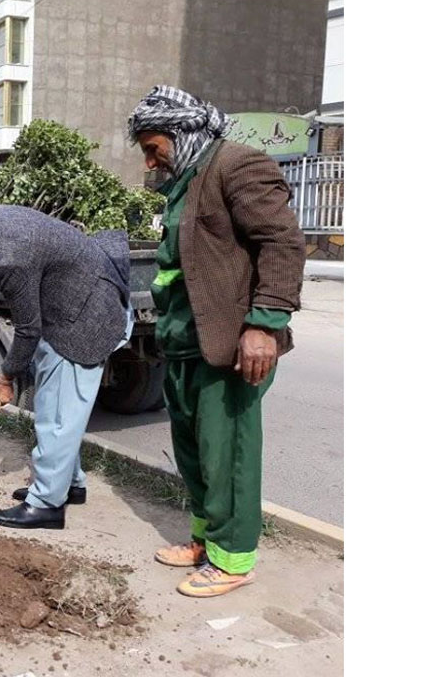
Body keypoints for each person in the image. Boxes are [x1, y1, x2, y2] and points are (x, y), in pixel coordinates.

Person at [126, 85, 305, 598]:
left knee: (228, 456)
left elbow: (281, 243)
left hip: (230, 344)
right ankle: (205, 540)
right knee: (195, 454)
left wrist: (264, 324)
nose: (150, 161)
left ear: (180, 132)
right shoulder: (187, 179)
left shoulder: (237, 164)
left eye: (153, 147)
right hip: (185, 342)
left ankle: (233, 560)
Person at [0, 204, 132, 530]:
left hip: (87, 319)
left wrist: (5, 377)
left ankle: (46, 504)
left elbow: (27, 330)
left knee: (59, 417)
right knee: (49, 407)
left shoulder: (6, 259)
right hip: (69, 307)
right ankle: (68, 484)